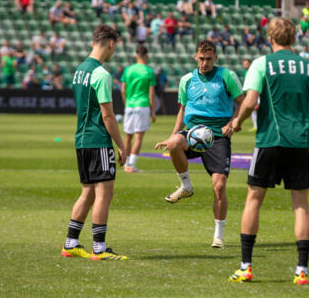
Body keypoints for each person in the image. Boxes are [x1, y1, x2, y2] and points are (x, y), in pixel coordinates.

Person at [227, 17, 309, 285]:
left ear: (269, 38)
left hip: (270, 141)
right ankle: (302, 271)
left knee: (253, 200)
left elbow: (250, 101)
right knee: (301, 206)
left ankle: (246, 266)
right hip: (301, 143)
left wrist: (237, 122)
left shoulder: (262, 63)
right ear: (294, 39)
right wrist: (305, 123)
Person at [155, 40, 244, 249]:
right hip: (192, 133)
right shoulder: (186, 79)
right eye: (201, 59)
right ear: (196, 57)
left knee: (219, 186)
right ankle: (185, 185)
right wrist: (172, 135)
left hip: (218, 137)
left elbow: (243, 102)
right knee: (176, 142)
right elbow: (182, 110)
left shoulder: (227, 76)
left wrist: (234, 122)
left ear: (216, 58)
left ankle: (218, 235)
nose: (204, 63)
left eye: (209, 59)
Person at [61, 24, 127, 261]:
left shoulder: (79, 70)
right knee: (103, 194)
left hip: (81, 139)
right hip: (98, 139)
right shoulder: (102, 73)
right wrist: (121, 144)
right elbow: (108, 115)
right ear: (111, 44)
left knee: (87, 192)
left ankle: (71, 242)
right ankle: (99, 248)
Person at [121, 45, 156, 173]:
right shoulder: (149, 71)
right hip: (142, 105)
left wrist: (126, 103)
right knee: (139, 137)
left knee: (127, 137)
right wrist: (153, 111)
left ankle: (126, 164)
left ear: (136, 56)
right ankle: (131, 165)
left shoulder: (128, 70)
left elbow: (123, 89)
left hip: (129, 105)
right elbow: (151, 93)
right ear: (146, 56)